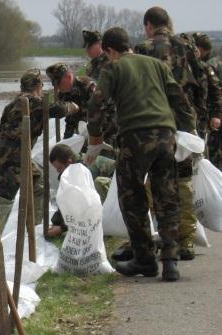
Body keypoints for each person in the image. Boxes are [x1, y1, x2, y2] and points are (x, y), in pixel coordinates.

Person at [87, 27, 196, 281]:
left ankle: (145, 260)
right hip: (165, 136)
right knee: (167, 196)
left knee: (132, 198)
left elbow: (96, 102)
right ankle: (170, 261)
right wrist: (189, 132)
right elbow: (180, 99)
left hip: (134, 138)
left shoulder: (113, 68)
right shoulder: (158, 65)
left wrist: (95, 137)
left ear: (111, 51)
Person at [135, 6, 202, 260]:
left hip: (155, 122)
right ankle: (186, 240)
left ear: (149, 25)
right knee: (183, 180)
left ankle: (164, 238)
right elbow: (201, 82)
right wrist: (199, 117)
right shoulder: (186, 46)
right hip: (184, 120)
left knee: (157, 179)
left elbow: (139, 88)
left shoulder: (143, 49)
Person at [0, 69, 80, 229]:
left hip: (6, 155)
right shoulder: (32, 102)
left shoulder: (11, 105)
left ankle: (35, 229)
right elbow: (58, 109)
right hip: (15, 159)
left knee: (39, 182)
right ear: (38, 87)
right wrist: (72, 106)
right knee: (5, 198)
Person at [47, 143, 116, 237]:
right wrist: (56, 222)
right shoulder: (71, 170)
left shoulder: (84, 168)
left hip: (118, 193)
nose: (58, 171)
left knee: (99, 183)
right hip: (110, 194)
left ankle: (104, 225)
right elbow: (66, 199)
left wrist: (62, 228)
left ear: (69, 162)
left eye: (59, 168)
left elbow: (82, 205)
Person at [45, 63, 117, 145]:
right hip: (86, 134)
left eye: (59, 83)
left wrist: (99, 133)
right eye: (55, 84)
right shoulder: (63, 94)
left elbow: (110, 108)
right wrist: (66, 142)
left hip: (107, 132)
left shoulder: (89, 87)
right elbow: (70, 120)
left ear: (68, 77)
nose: (57, 87)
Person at [193, 32, 222, 169]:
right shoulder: (208, 64)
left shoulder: (208, 65)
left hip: (206, 115)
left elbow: (215, 90)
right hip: (205, 115)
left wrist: (216, 114)